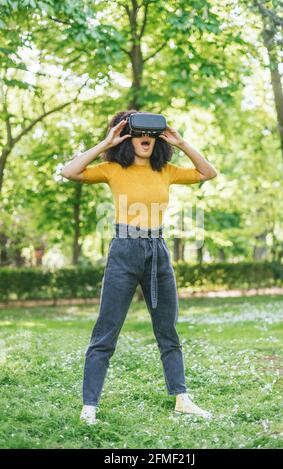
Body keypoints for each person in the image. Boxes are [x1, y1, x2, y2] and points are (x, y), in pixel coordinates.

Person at [61, 110, 217, 425]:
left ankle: (182, 399)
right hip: (124, 249)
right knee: (106, 330)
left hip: (157, 252)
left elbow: (208, 173)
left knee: (167, 330)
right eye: (135, 132)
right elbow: (69, 171)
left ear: (157, 138)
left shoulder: (167, 171)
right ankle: (89, 406)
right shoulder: (112, 169)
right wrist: (106, 141)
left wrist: (182, 142)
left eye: (149, 133)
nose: (143, 138)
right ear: (126, 137)